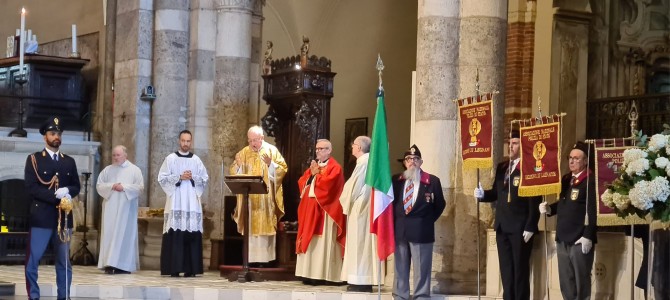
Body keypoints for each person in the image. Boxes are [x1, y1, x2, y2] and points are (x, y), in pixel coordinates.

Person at [474, 129, 541, 300]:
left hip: (520, 227)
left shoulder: (528, 167)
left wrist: (532, 224)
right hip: (502, 225)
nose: (510, 146)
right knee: (506, 270)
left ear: (523, 145)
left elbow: (535, 198)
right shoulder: (503, 167)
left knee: (520, 270)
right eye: (509, 143)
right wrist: (483, 195)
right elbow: (497, 193)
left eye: (515, 143)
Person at [24, 116, 81, 300]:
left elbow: (76, 186)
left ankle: (63, 297)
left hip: (64, 219)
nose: (56, 136)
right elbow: (32, 188)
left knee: (64, 262)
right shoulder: (34, 159)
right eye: (52, 133)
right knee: (33, 261)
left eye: (59, 133)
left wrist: (67, 190)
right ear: (45, 137)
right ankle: (34, 296)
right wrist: (55, 196)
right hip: (41, 217)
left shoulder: (68, 161)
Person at [539, 141, 597, 300]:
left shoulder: (590, 181)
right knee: (566, 281)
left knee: (581, 282)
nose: (572, 161)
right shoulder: (566, 179)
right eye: (570, 158)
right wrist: (550, 209)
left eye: (576, 159)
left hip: (580, 239)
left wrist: (588, 235)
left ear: (585, 161)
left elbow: (593, 211)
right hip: (562, 237)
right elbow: (565, 204)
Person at [392, 144, 446, 300]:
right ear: (404, 162)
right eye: (408, 159)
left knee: (422, 268)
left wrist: (427, 221)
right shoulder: (396, 180)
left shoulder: (432, 181)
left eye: (415, 159)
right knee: (400, 267)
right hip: (401, 230)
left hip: (422, 230)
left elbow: (440, 204)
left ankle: (421, 296)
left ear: (421, 162)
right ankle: (399, 295)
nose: (412, 162)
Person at [230, 125, 288, 266]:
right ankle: (249, 260)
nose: (252, 144)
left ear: (262, 138)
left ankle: (265, 261)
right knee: (251, 229)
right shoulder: (243, 153)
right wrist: (237, 166)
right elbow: (233, 173)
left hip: (265, 200)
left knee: (264, 229)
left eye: (255, 140)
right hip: (250, 199)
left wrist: (271, 165)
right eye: (250, 140)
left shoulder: (271, 151)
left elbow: (283, 169)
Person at [157, 130, 209, 277]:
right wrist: (179, 177)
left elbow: (204, 179)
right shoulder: (171, 159)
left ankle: (191, 269)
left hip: (191, 202)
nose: (185, 143)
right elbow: (162, 178)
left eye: (188, 141)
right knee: (176, 234)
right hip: (176, 202)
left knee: (190, 234)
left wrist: (193, 178)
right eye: (183, 141)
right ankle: (173, 268)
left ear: (191, 142)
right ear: (179, 141)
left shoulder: (196, 160)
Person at [295, 139, 346, 284]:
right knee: (310, 241)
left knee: (323, 242)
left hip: (326, 212)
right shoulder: (314, 166)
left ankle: (324, 275)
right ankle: (308, 274)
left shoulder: (335, 167)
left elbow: (328, 188)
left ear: (329, 150)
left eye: (322, 149)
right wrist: (312, 175)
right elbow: (302, 182)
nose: (318, 151)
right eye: (317, 149)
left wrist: (316, 175)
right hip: (310, 211)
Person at [340, 136, 383, 292]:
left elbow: (353, 187)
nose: (352, 147)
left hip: (361, 208)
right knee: (361, 243)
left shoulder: (364, 162)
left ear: (359, 148)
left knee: (360, 244)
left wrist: (343, 198)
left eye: (354, 145)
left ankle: (361, 280)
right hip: (365, 206)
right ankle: (361, 279)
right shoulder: (367, 161)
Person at [96, 145, 144, 274]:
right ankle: (108, 263)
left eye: (118, 155)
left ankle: (123, 265)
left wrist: (124, 187)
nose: (116, 158)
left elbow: (140, 188)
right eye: (114, 155)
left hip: (126, 209)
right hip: (110, 208)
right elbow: (99, 186)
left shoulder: (135, 170)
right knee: (110, 234)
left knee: (124, 234)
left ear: (125, 155)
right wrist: (112, 186)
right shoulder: (107, 170)